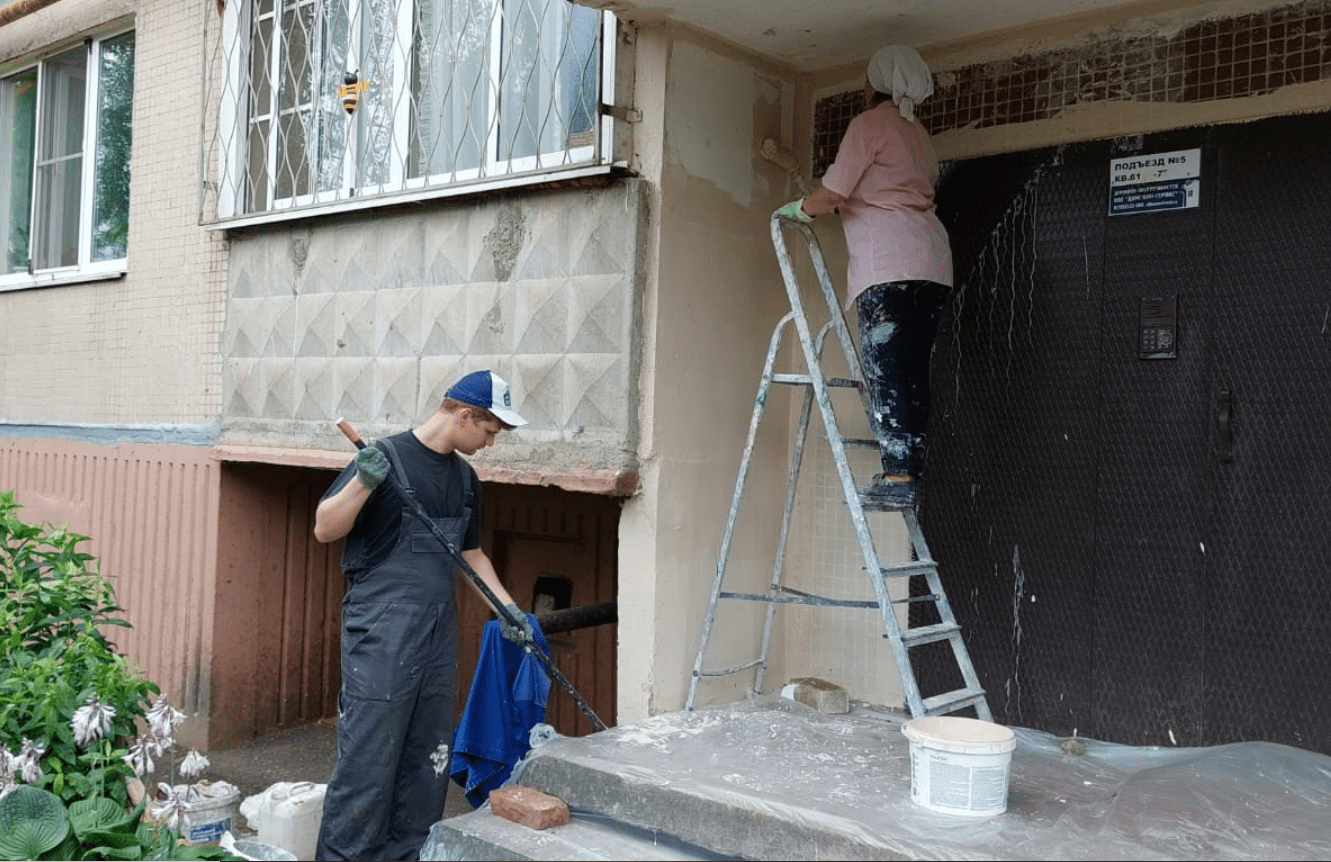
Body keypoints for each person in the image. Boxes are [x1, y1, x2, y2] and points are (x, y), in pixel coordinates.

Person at [312, 369, 536, 861]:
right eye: (489, 430)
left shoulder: (465, 479)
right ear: (463, 414)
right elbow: (325, 528)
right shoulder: (384, 459)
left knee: (428, 755)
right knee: (371, 755)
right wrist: (363, 484)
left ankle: (409, 853)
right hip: (382, 629)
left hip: (437, 630)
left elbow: (471, 553)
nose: (491, 443)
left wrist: (509, 608)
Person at [777, 44, 953, 509]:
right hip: (933, 264)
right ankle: (908, 472)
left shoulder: (869, 125)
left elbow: (834, 192)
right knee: (914, 371)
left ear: (873, 84)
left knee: (888, 370)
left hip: (890, 267)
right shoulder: (921, 136)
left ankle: (897, 480)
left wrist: (799, 209)